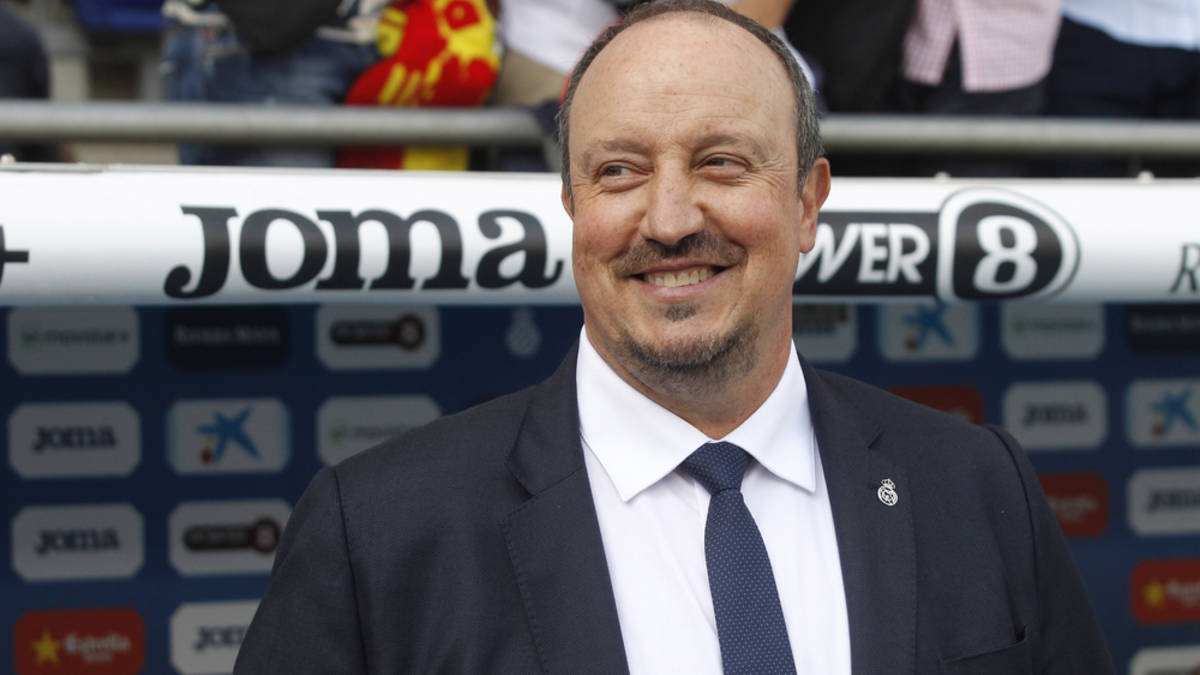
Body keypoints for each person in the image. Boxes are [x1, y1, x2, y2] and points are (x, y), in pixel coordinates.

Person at [234, 0, 1115, 672]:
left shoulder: (978, 488)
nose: (668, 219)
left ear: (808, 202)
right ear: (572, 206)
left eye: (720, 163)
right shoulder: (378, 533)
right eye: (619, 171)